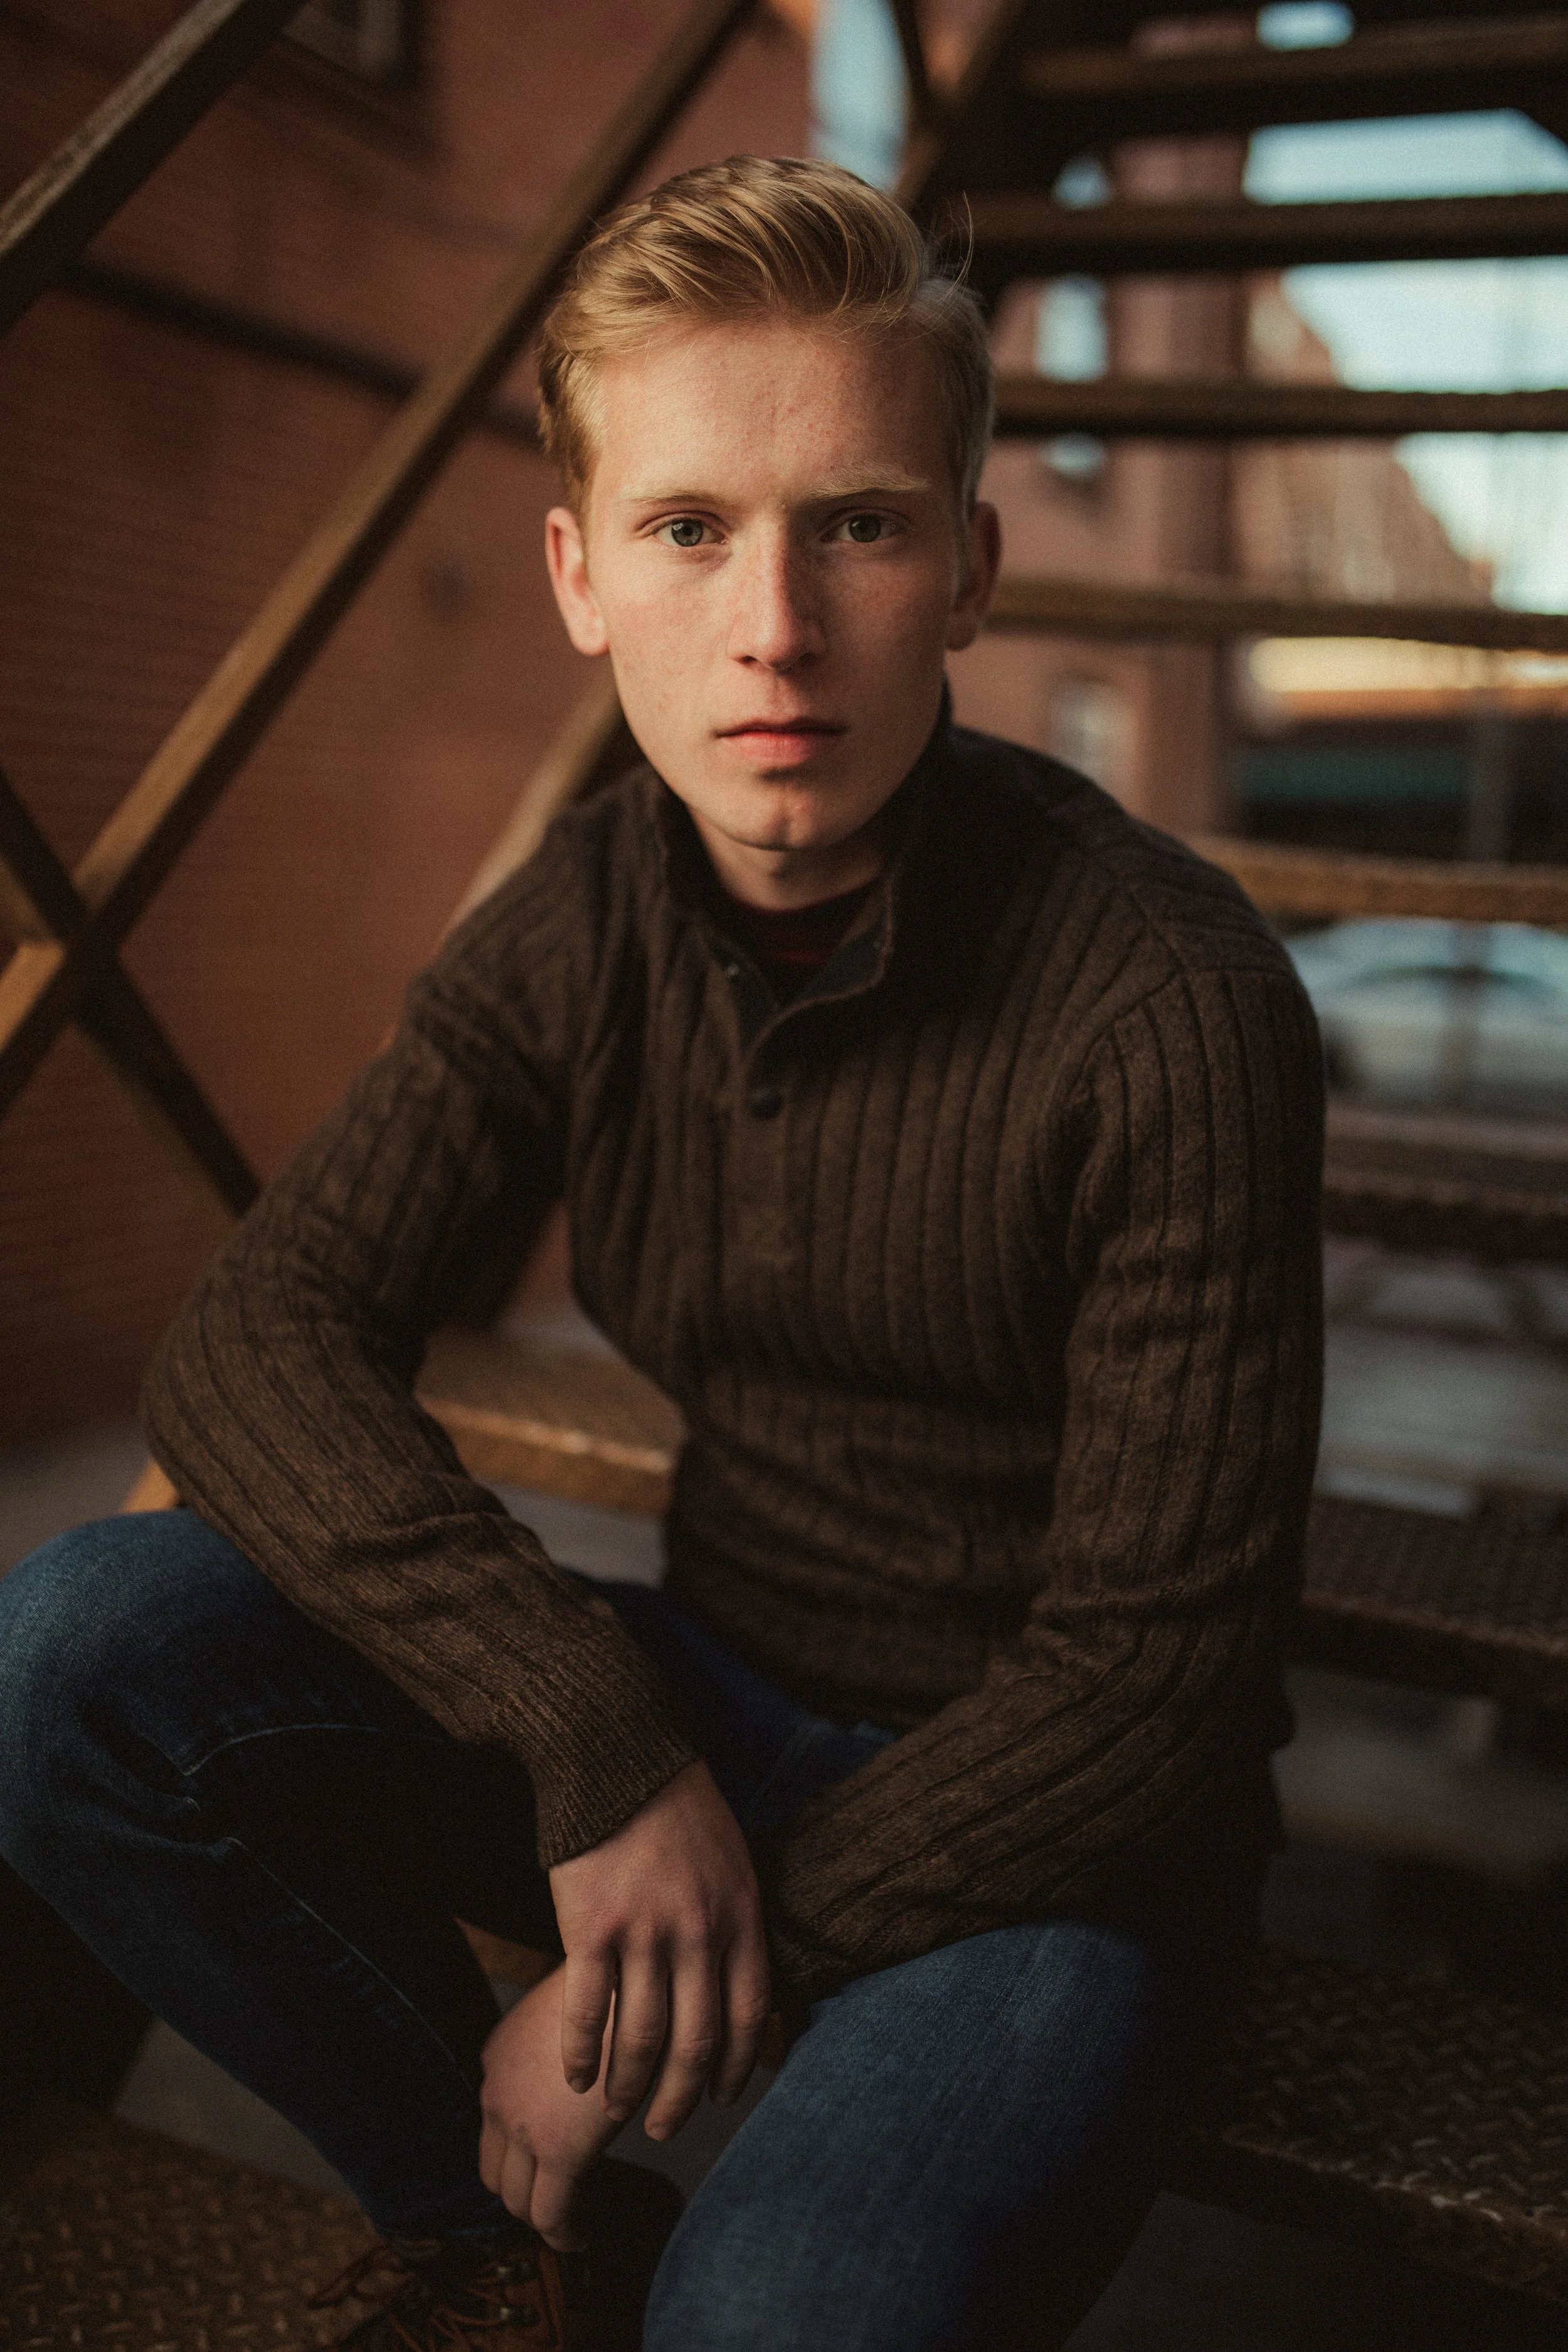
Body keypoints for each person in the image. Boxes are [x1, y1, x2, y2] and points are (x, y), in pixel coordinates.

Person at [0, 157, 1323, 2352]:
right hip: (699, 1698)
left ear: (974, 566)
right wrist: (598, 1743)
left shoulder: (1167, 1001)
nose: (774, 628)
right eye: (691, 528)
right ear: (578, 575)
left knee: (787, 2318)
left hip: (1052, 1848)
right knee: (68, 1658)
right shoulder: (584, 912)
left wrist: (636, 1974)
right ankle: (510, 2237)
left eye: (862, 524)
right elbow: (260, 1341)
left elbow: (1151, 1693)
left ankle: (596, 2210)